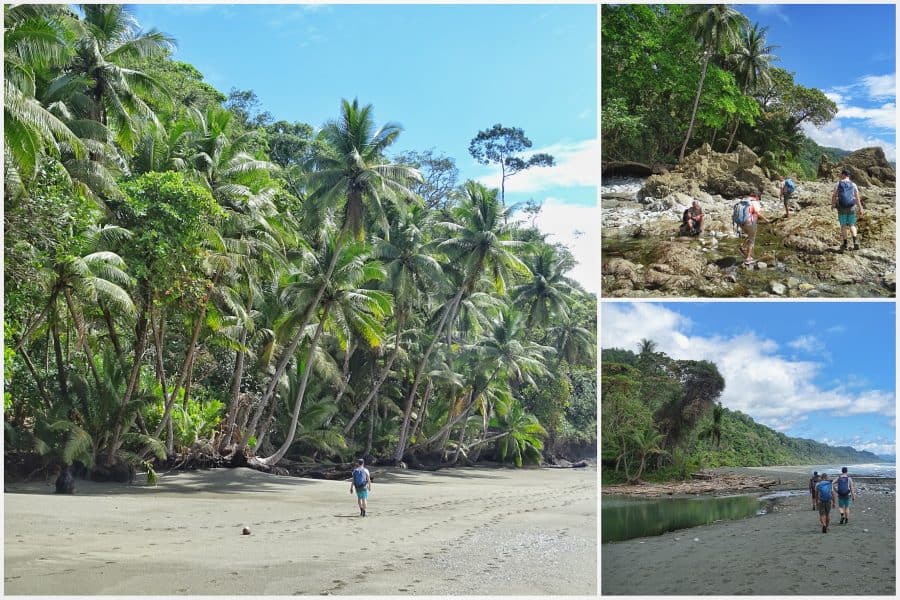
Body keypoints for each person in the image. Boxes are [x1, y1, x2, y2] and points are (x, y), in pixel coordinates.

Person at [831, 168, 864, 251]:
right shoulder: (853, 184)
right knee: (852, 225)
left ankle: (845, 244)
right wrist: (860, 208)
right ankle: (855, 241)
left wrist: (833, 205)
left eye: (841, 174)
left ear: (843, 175)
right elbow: (857, 197)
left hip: (841, 207)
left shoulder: (838, 183)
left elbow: (834, 195)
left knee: (843, 225)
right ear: (848, 176)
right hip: (851, 207)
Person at [737, 191, 770, 266]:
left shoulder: (744, 200)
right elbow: (758, 213)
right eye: (759, 198)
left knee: (749, 235)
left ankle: (742, 247)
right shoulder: (754, 202)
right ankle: (748, 259)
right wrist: (766, 220)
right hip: (750, 223)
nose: (759, 200)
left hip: (741, 222)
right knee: (752, 239)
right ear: (757, 196)